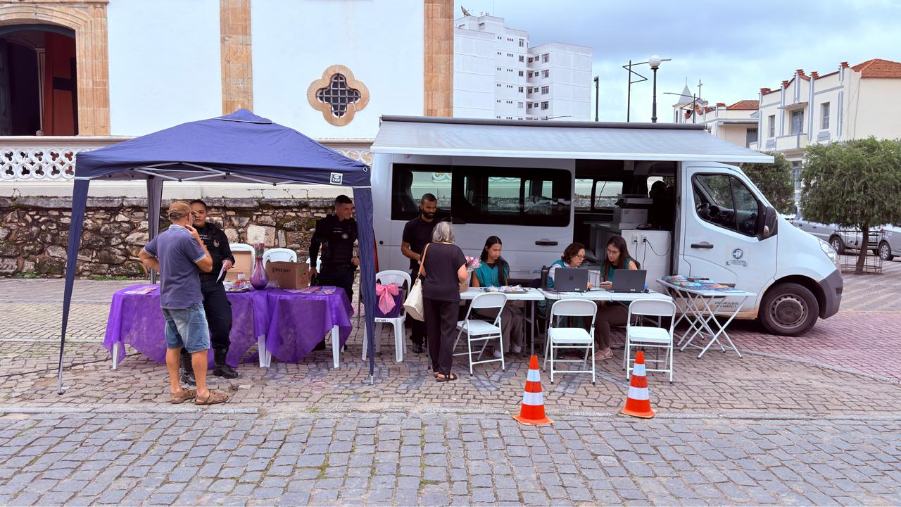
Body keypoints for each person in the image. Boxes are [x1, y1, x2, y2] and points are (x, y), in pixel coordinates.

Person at [139, 201, 229, 405]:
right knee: (199, 346)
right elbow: (207, 265)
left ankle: (176, 390)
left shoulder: (162, 237)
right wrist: (199, 240)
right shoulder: (187, 238)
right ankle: (203, 393)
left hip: (168, 298)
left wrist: (164, 269)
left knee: (174, 345)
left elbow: (143, 255)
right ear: (188, 217)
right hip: (187, 298)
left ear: (170, 216)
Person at [177, 199, 237, 385]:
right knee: (191, 327)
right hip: (191, 286)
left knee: (223, 322)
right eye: (193, 212)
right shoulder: (182, 234)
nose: (197, 215)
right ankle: (188, 370)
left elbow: (229, 255)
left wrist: (228, 261)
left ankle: (220, 364)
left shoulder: (217, 233)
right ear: (188, 214)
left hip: (214, 285)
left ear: (206, 213)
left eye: (201, 212)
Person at [421, 221, 468, 382]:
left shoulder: (427, 248)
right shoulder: (455, 251)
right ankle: (444, 372)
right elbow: (463, 276)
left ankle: (436, 369)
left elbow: (423, 271)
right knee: (447, 333)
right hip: (449, 295)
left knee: (433, 332)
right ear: (451, 234)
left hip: (430, 294)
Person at [470, 236, 525, 356]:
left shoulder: (503, 266)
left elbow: (505, 288)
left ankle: (517, 344)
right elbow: (476, 291)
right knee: (505, 315)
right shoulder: (477, 266)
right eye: (494, 250)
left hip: (500, 303)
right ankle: (499, 348)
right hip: (483, 304)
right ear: (487, 249)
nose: (497, 253)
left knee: (517, 314)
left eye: (499, 250)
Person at [401, 193, 440, 354]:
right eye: (428, 207)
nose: (431, 210)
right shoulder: (411, 225)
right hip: (418, 271)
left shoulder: (440, 226)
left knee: (435, 307)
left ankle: (431, 340)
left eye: (434, 207)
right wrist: (419, 257)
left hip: (437, 271)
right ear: (421, 206)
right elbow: (404, 248)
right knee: (417, 306)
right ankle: (416, 340)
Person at [594, 235, 640, 360]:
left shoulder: (629, 263)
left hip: (627, 306)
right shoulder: (605, 265)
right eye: (608, 251)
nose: (610, 255)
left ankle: (605, 349)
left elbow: (637, 285)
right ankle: (601, 345)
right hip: (610, 303)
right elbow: (602, 286)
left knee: (600, 316)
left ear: (621, 252)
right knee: (589, 312)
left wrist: (614, 286)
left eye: (614, 252)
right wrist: (601, 301)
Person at [310, 195, 359, 303]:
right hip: (327, 270)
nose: (350, 212)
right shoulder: (325, 224)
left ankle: (344, 320)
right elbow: (314, 245)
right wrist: (313, 266)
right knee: (326, 301)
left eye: (351, 209)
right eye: (346, 209)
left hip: (345, 270)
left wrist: (358, 258)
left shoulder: (353, 225)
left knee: (345, 301)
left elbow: (366, 244)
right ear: (337, 209)